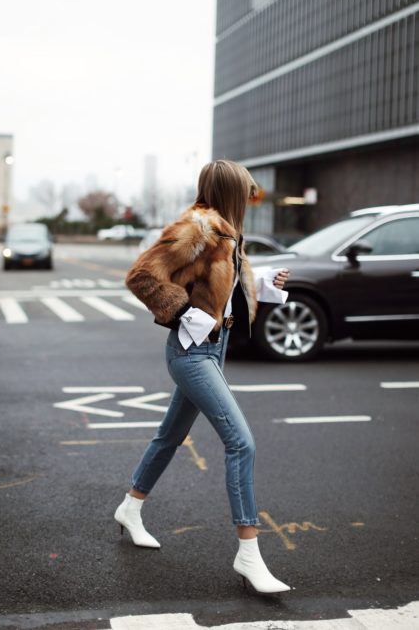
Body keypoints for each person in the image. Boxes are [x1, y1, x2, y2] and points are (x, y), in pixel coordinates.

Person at [114, 159, 290, 594]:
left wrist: (265, 283)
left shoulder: (226, 231)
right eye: (247, 190)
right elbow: (141, 276)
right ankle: (248, 554)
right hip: (192, 353)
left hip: (214, 349)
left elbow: (223, 284)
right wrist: (183, 313)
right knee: (241, 443)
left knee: (169, 436)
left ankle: (130, 508)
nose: (252, 198)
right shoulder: (199, 227)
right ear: (231, 191)